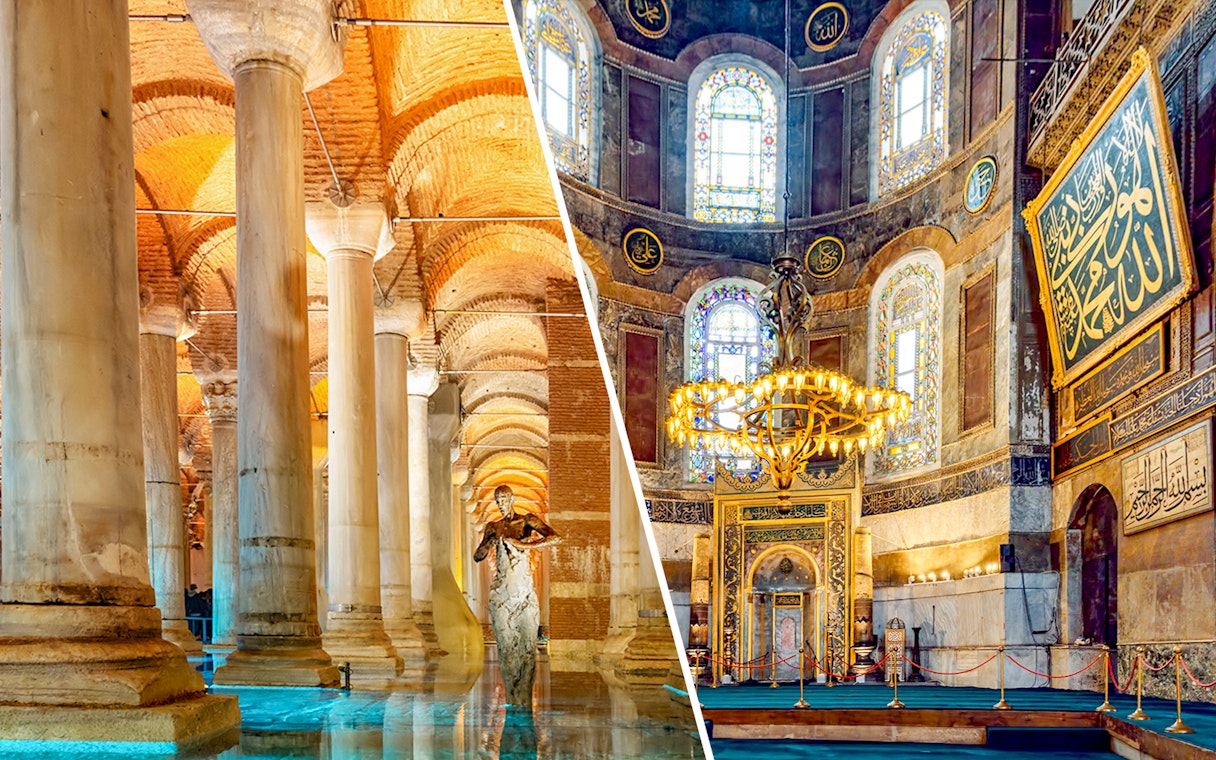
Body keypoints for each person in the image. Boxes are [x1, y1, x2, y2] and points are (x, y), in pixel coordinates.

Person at [473, 485, 560, 707]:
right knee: (506, 649)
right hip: (502, 595)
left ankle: (525, 700)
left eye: (503, 500)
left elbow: (555, 537)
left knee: (528, 650)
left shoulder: (527, 521)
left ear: (512, 499)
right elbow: (478, 556)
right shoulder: (494, 526)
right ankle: (512, 698)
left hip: (524, 594)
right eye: (497, 501)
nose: (500, 505)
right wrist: (488, 542)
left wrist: (524, 544)